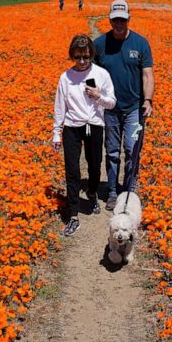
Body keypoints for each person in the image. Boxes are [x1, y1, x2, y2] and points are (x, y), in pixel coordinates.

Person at [52, 34, 116, 236]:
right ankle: (73, 215)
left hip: (93, 125)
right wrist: (56, 133)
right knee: (71, 170)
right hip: (72, 126)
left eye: (86, 57)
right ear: (72, 56)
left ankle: (91, 191)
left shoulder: (102, 74)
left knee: (94, 165)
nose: (81, 62)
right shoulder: (66, 77)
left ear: (91, 55)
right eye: (78, 57)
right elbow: (59, 106)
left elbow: (112, 102)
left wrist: (99, 97)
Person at [93, 0, 154, 211]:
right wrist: (94, 97)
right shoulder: (100, 44)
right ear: (110, 20)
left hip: (133, 108)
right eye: (115, 20)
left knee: (131, 148)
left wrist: (147, 100)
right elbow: (91, 74)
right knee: (111, 151)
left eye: (122, 20)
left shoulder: (140, 43)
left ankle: (128, 190)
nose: (119, 24)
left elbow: (147, 75)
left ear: (129, 19)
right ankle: (111, 191)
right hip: (109, 107)